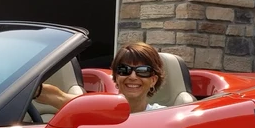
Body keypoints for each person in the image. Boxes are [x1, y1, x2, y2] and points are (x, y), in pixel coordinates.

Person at [34, 42, 166, 113]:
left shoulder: (163, 116)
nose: (132, 76)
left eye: (142, 71)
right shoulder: (100, 111)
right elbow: (56, 96)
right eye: (124, 70)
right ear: (115, 77)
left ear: (153, 80)